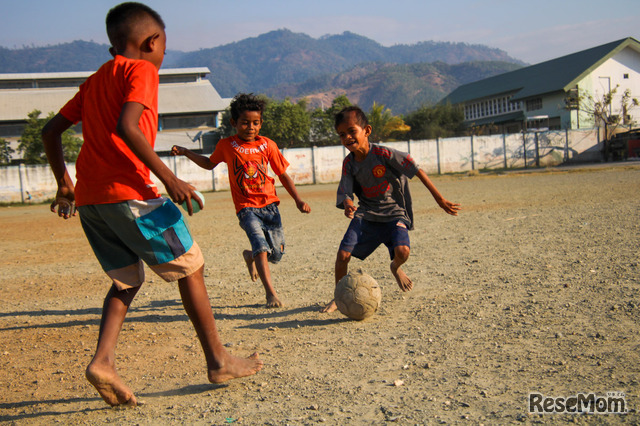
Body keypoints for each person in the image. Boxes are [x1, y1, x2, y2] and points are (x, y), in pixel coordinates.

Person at [41, 2, 262, 407]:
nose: (162, 55)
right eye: (163, 46)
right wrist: (170, 177)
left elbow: (49, 131)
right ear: (152, 42)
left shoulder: (94, 81)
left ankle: (103, 361)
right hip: (133, 195)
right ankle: (218, 360)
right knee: (190, 266)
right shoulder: (141, 70)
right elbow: (128, 127)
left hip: (92, 200)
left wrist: (64, 184)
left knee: (126, 279)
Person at [171, 93, 311, 308]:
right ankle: (270, 293)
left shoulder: (268, 145)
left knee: (276, 254)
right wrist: (186, 151)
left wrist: (298, 200)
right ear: (234, 123)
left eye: (255, 123)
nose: (250, 127)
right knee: (261, 247)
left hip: (270, 208)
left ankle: (251, 256)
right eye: (245, 123)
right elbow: (209, 164)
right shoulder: (227, 145)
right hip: (246, 209)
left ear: (261, 123)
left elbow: (282, 174)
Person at [322, 106, 461, 313]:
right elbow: (346, 191)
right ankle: (338, 295)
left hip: (395, 212)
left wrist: (440, 199)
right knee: (343, 255)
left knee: (403, 251)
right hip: (367, 213)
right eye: (342, 134)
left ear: (367, 130)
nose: (347, 137)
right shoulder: (349, 164)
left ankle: (395, 267)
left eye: (352, 131)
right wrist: (348, 204)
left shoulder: (384, 154)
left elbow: (416, 169)